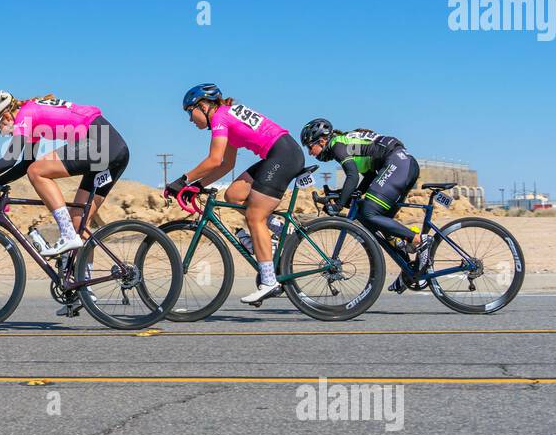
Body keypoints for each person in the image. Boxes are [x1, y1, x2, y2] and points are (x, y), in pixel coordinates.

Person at [0, 91, 130, 315]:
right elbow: (22, 162)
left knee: (38, 173)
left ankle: (67, 235)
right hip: (112, 147)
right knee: (79, 221)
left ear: (7, 115)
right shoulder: (31, 119)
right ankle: (84, 292)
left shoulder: (26, 114)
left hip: (101, 142)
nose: (2, 132)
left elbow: (11, 158)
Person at [167, 84, 304, 304]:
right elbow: (226, 165)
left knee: (254, 217)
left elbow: (214, 160)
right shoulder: (225, 116)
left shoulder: (221, 117)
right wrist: (198, 185)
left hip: (282, 156)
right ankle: (279, 232)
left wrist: (182, 180)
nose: (190, 120)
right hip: (280, 154)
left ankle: (269, 281)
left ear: (202, 106)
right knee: (233, 194)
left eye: (189, 112)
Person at [300, 118, 432, 272]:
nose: (310, 153)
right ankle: (409, 272)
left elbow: (352, 176)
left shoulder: (337, 145)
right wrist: (342, 196)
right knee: (377, 220)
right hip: (403, 164)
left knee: (369, 212)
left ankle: (419, 240)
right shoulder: (349, 146)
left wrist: (339, 205)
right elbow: (368, 178)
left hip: (398, 163)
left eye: (310, 147)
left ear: (322, 141)